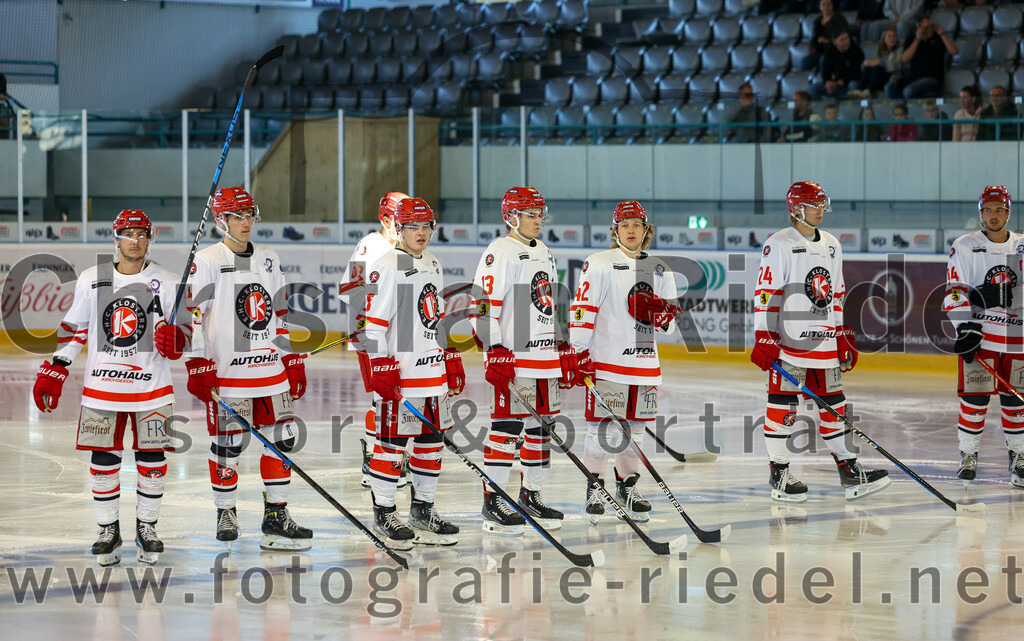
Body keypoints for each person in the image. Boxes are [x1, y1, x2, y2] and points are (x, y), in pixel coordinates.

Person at [32, 209, 189, 566]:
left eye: (142, 234)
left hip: (152, 388)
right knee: (103, 460)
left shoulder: (167, 281)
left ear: (150, 239)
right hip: (102, 388)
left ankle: (147, 528)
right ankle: (108, 529)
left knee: (153, 459)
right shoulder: (92, 278)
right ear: (115, 238)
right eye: (128, 234)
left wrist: (176, 340)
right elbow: (75, 330)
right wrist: (55, 368)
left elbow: (185, 334)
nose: (135, 241)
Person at [185, 186, 312, 551]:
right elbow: (194, 317)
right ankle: (226, 511)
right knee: (229, 444)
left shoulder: (269, 257)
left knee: (281, 442)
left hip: (270, 372)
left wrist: (289, 359)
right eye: (236, 216)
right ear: (220, 220)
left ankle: (277, 517)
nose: (245, 223)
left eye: (248, 215)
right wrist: (197, 361)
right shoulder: (207, 259)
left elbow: (281, 314)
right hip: (229, 375)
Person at [750, 181, 890, 502]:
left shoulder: (831, 243)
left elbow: (836, 294)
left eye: (821, 204)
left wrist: (841, 334)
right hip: (790, 343)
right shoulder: (779, 244)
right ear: (797, 209)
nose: (820, 210)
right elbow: (765, 293)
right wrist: (764, 335)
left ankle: (849, 470)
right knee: (783, 407)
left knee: (835, 406)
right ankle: (780, 474)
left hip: (824, 343)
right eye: (814, 204)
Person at [471, 186, 577, 535]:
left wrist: (562, 343)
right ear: (510, 217)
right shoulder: (499, 252)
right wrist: (495, 348)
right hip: (516, 359)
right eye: (529, 214)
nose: (537, 220)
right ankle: (493, 501)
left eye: (539, 213)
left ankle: (531, 495)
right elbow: (482, 307)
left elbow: (547, 303)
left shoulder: (544, 252)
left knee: (542, 428)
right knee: (507, 429)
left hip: (544, 357)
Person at [360, 197, 465, 547]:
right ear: (398, 228)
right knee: (391, 447)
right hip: (401, 377)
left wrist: (447, 354)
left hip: (431, 374)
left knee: (431, 445)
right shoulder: (386, 265)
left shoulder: (433, 262)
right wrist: (381, 366)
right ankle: (384, 512)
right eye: (412, 226)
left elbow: (432, 317)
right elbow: (371, 327)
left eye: (425, 226)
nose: (420, 233)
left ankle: (423, 509)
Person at [568, 201, 678, 522]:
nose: (631, 230)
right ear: (614, 230)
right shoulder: (599, 263)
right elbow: (582, 310)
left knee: (636, 431)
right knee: (601, 431)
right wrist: (578, 351)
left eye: (637, 224)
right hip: (607, 363)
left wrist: (663, 314)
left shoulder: (659, 269)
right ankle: (594, 487)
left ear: (646, 229)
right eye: (624, 225)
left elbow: (668, 325)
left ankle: (627, 485)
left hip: (645, 365)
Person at [944, 186, 1024, 489]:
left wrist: (999, 294)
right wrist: (964, 327)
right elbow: (954, 290)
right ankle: (968, 455)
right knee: (974, 399)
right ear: (981, 213)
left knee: (1016, 402)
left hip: (1018, 338)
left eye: (1000, 210)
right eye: (988, 210)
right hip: (982, 337)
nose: (994, 215)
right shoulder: (964, 246)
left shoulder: (1022, 246)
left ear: (1008, 212)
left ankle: (1019, 457)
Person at [340, 191, 409, 490]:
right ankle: (374, 455)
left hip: (401, 337)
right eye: (401, 219)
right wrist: (364, 327)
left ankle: (386, 451)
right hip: (374, 336)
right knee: (382, 397)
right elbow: (352, 289)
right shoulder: (370, 245)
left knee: (395, 396)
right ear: (385, 219)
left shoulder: (405, 248)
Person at [897, 17, 958, 100]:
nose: (930, 30)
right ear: (919, 28)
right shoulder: (911, 39)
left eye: (932, 27)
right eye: (926, 28)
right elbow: (904, 59)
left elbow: (954, 51)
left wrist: (942, 34)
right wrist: (917, 40)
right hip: (914, 77)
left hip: (932, 78)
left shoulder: (938, 38)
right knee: (889, 88)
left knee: (908, 91)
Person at [810, 31, 865, 101]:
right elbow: (826, 72)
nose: (846, 42)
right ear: (835, 42)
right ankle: (822, 111)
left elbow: (857, 73)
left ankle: (854, 109)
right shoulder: (830, 52)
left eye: (847, 38)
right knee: (813, 89)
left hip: (850, 83)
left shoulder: (856, 50)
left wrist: (841, 82)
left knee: (853, 85)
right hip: (836, 84)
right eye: (842, 40)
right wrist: (827, 83)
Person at [803, 0, 851, 71]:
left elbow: (844, 37)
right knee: (805, 61)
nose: (826, 7)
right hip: (820, 51)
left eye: (829, 4)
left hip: (834, 51)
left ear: (832, 6)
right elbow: (814, 38)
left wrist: (826, 41)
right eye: (823, 5)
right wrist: (811, 47)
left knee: (824, 59)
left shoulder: (839, 19)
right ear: (820, 7)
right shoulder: (818, 21)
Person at [862, 29, 902, 98]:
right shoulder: (879, 52)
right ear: (884, 40)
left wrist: (880, 62)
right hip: (877, 78)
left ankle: (868, 91)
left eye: (894, 36)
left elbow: (897, 65)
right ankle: (860, 91)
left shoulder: (899, 50)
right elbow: (871, 63)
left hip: (891, 77)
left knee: (878, 68)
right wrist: (867, 63)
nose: (892, 38)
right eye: (889, 37)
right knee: (868, 68)